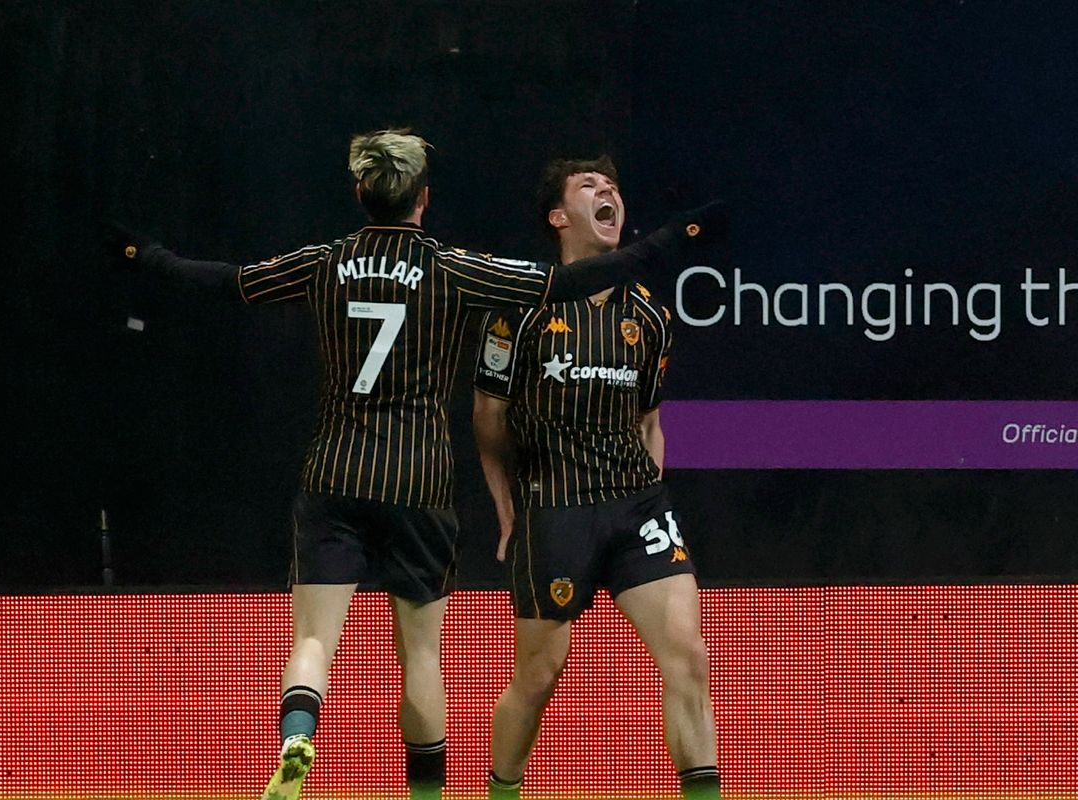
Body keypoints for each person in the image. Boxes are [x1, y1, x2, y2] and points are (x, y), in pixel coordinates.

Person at [113, 131, 719, 800]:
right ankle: (443, 793)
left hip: (341, 470)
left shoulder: (325, 261)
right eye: (590, 187)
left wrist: (147, 255)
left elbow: (227, 282)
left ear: (361, 192)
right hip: (428, 481)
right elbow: (558, 292)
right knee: (435, 657)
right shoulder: (454, 269)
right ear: (424, 199)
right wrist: (675, 236)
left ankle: (298, 731)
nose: (607, 193)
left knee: (313, 640)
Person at [472, 156, 722, 800]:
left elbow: (651, 422)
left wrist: (651, 499)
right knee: (539, 675)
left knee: (689, 657)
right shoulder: (520, 309)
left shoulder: (651, 316)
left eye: (612, 186)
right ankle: (501, 788)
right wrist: (507, 509)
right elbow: (489, 420)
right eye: (589, 186)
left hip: (638, 507)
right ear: (559, 217)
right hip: (555, 506)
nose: (607, 191)